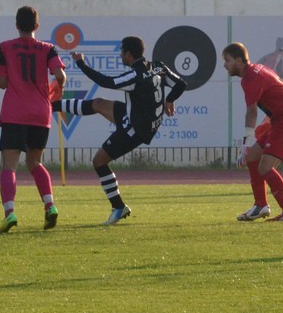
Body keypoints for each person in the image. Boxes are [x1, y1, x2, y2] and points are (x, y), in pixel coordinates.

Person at [54, 36, 186, 225]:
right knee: (99, 104)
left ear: (129, 54)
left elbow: (105, 82)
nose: (120, 55)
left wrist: (81, 63)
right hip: (140, 117)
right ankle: (53, 105)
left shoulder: (135, 76)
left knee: (99, 161)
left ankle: (118, 207)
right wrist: (170, 100)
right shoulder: (158, 67)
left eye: (121, 52)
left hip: (136, 128)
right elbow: (181, 84)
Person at [0, 6, 66, 233]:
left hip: (15, 112)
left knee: (9, 166)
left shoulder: (5, 47)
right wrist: (56, 90)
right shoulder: (48, 48)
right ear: (37, 26)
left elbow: (3, 83)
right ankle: (50, 206)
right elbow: (60, 75)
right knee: (35, 162)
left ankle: (10, 213)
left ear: (17, 25)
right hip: (40, 113)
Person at [222, 42, 283, 222]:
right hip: (280, 121)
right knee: (252, 157)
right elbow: (277, 94)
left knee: (265, 167)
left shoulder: (250, 78)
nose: (225, 65)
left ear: (238, 60)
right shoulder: (258, 69)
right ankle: (260, 205)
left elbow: (252, 111)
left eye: (227, 60)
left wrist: (245, 143)